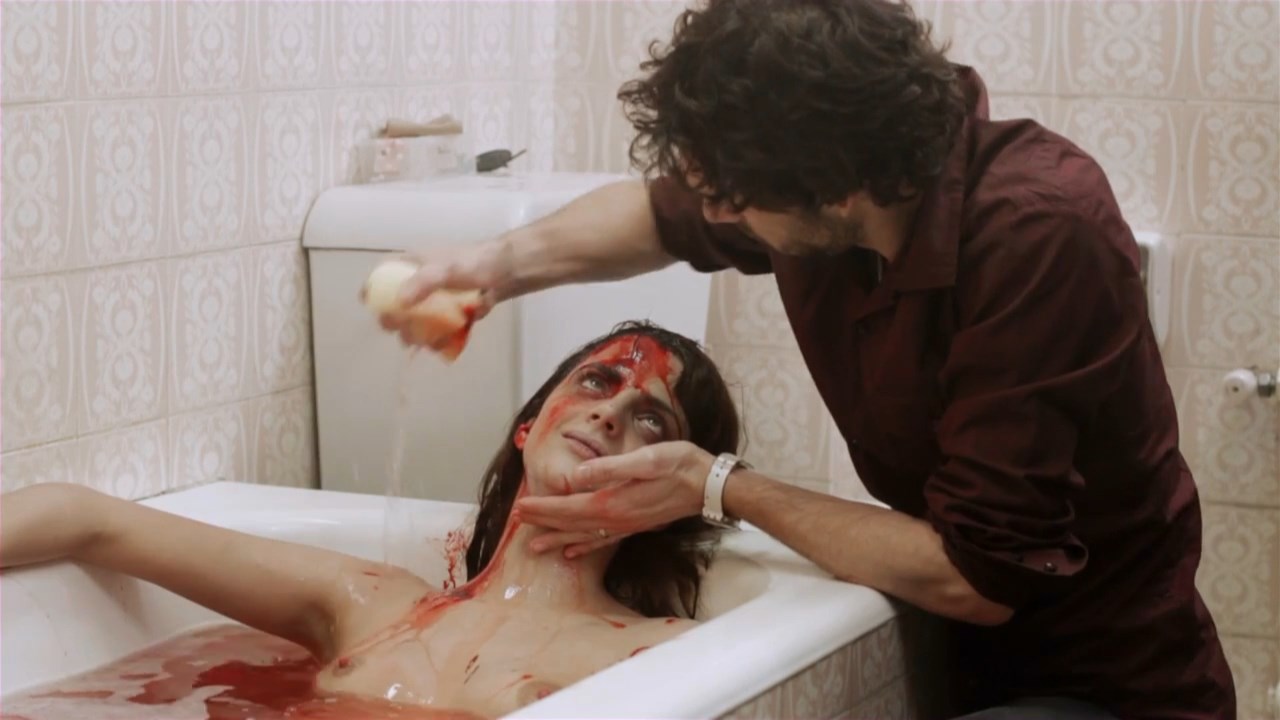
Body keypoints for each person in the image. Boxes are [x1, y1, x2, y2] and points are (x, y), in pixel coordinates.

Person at [380, 1, 1236, 718]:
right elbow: (653, 218)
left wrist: (718, 484)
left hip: (1106, 680)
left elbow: (980, 575)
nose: (718, 214)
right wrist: (488, 269)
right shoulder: (829, 185)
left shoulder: (1039, 234)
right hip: (954, 655)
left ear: (834, 183)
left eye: (733, 198)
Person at [0, 322, 741, 719]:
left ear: (671, 489)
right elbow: (87, 519)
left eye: (650, 419)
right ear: (529, 425)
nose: (610, 413)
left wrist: (723, 488)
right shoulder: (372, 602)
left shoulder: (656, 654)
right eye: (597, 382)